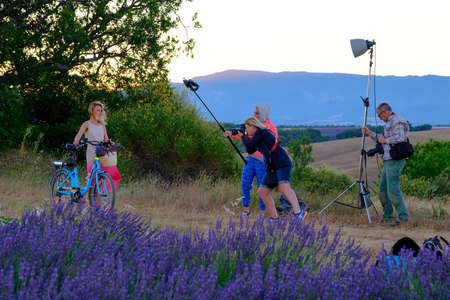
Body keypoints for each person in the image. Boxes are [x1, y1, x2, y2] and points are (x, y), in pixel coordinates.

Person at [237, 116, 307, 222]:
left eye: (246, 128)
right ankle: (275, 218)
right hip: (272, 165)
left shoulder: (261, 132)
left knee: (284, 187)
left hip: (281, 162)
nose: (245, 131)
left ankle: (299, 213)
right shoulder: (258, 136)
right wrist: (244, 137)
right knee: (263, 191)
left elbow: (249, 145)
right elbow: (250, 149)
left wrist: (243, 137)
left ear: (252, 126)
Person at [224, 104, 278, 216]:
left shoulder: (270, 127)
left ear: (264, 113)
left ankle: (262, 213)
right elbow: (245, 135)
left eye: (257, 113)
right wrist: (231, 134)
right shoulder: (252, 125)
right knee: (245, 184)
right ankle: (246, 211)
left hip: (262, 161)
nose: (255, 115)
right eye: (254, 113)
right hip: (250, 159)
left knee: (261, 188)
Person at [362, 102, 410, 227]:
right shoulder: (389, 122)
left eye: (379, 115)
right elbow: (382, 139)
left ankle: (404, 219)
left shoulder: (397, 121)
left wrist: (386, 140)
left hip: (395, 159)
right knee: (383, 191)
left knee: (393, 191)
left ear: (386, 111)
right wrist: (370, 133)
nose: (379, 118)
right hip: (388, 160)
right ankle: (388, 217)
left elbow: (400, 137)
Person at [73, 101, 121, 190]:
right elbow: (77, 139)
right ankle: (93, 203)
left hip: (101, 152)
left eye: (101, 110)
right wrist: (78, 142)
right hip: (91, 153)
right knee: (92, 182)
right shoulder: (87, 124)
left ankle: (98, 203)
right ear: (92, 111)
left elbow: (106, 139)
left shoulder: (102, 125)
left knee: (101, 180)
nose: (100, 112)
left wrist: (112, 144)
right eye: (98, 110)